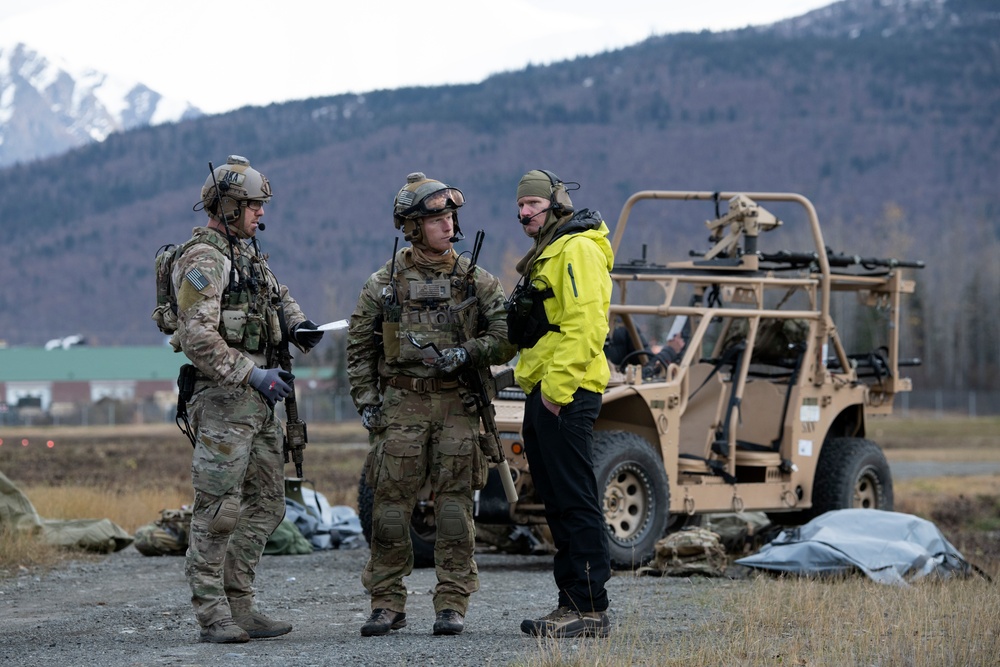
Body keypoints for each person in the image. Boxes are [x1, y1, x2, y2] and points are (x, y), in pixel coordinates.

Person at [347, 172, 516, 637]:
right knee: (390, 509)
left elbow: (505, 339)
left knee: (454, 510)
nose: (448, 224)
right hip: (401, 405)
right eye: (437, 217)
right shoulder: (383, 284)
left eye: (450, 215)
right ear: (412, 226)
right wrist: (367, 403)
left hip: (457, 405)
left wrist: (468, 353)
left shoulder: (477, 281)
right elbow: (360, 350)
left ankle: (452, 602)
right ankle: (386, 602)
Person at [174, 155, 324, 644]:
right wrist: (252, 375)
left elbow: (279, 297)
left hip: (258, 404)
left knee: (267, 503)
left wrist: (300, 325)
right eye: (254, 206)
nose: (261, 214)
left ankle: (241, 605)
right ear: (230, 206)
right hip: (222, 400)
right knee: (218, 510)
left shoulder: (248, 255)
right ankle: (212, 614)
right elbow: (196, 336)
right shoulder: (204, 259)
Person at [508, 169, 615, 638]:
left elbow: (586, 326)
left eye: (531, 204)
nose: (523, 212)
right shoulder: (550, 252)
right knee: (556, 502)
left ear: (554, 203)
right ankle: (570, 601)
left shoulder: (578, 250)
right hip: (544, 389)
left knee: (575, 499)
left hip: (564, 394)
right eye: (519, 206)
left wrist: (556, 392)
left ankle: (590, 606)